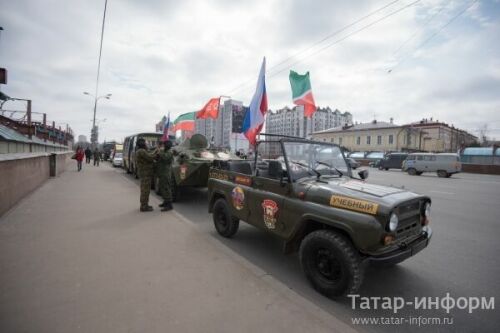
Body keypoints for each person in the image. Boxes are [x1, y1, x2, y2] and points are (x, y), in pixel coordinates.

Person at [136, 138, 157, 212]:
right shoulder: (141, 151)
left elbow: (149, 155)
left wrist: (155, 151)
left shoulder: (141, 151)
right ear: (142, 144)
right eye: (145, 143)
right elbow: (150, 157)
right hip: (145, 174)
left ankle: (145, 205)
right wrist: (157, 153)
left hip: (145, 174)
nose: (146, 144)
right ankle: (144, 207)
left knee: (145, 190)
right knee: (145, 191)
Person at [156, 140, 174, 211]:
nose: (163, 146)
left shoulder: (169, 152)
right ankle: (165, 201)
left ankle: (169, 205)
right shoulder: (164, 151)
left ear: (167, 146)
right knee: (162, 188)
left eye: (165, 145)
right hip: (161, 173)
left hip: (166, 173)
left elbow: (165, 158)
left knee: (167, 188)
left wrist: (160, 151)